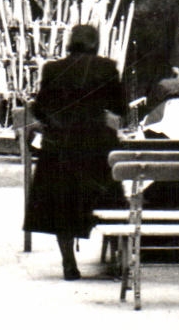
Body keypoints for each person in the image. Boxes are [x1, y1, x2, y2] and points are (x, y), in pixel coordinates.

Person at [22, 24, 125, 281]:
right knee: (108, 200)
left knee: (61, 205)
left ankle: (69, 262)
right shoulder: (107, 68)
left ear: (70, 43)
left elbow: (40, 107)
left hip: (61, 146)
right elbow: (120, 107)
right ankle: (116, 258)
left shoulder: (53, 69)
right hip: (96, 144)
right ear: (95, 43)